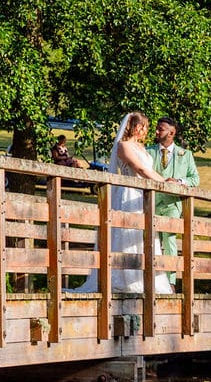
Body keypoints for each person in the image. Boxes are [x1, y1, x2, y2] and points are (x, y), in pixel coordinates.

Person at [67, 112, 173, 294]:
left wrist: (164, 181)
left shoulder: (142, 148)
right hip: (128, 192)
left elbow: (147, 168)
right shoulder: (123, 146)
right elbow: (139, 168)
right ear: (135, 127)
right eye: (143, 127)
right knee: (126, 234)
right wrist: (163, 182)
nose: (146, 131)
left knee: (142, 236)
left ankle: (144, 278)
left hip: (141, 196)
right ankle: (124, 279)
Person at [148, 117, 199, 286]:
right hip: (151, 201)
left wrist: (179, 182)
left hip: (172, 204)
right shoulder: (148, 151)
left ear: (172, 132)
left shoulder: (186, 154)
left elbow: (195, 179)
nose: (156, 132)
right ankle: (149, 277)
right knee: (148, 238)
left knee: (169, 240)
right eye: (156, 128)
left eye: (160, 129)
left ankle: (170, 282)